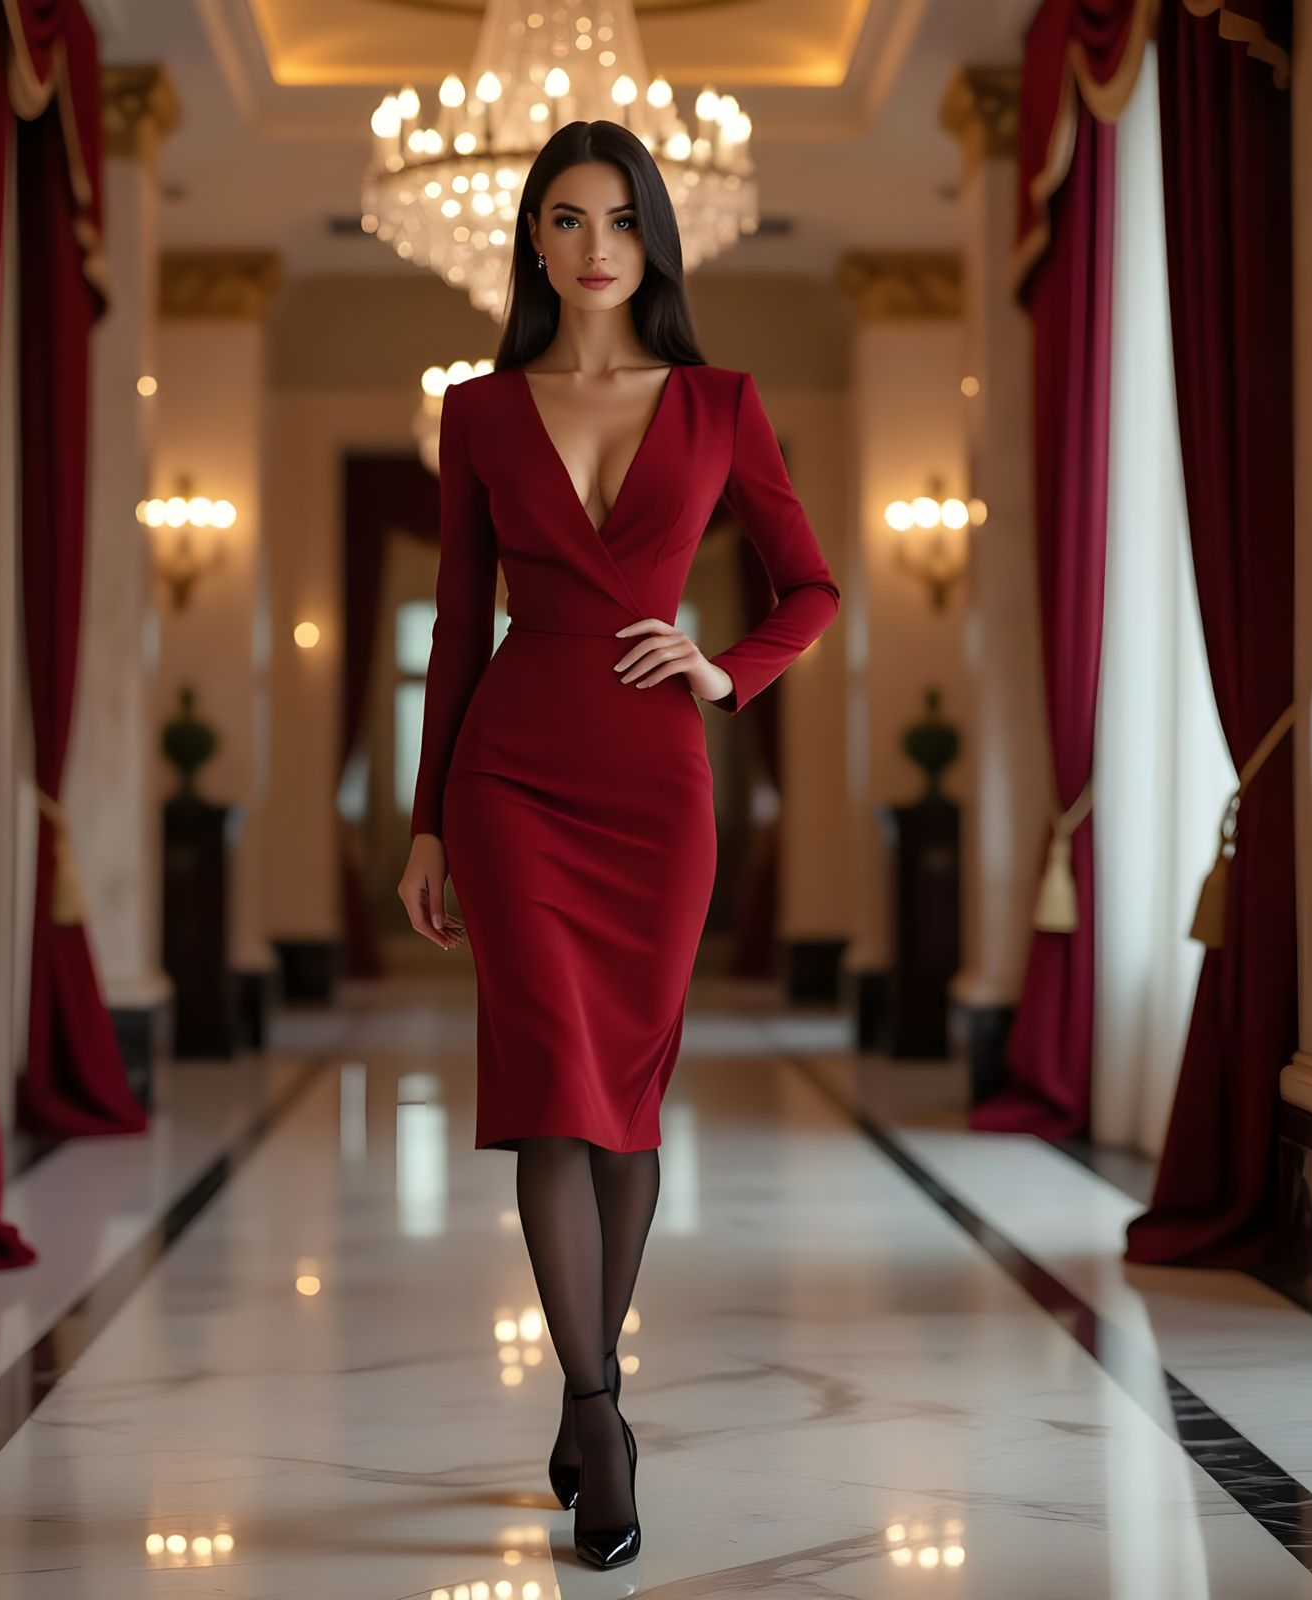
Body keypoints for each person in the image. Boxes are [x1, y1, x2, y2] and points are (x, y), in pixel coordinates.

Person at [397, 118, 840, 1569]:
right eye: (570, 220)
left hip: (659, 792)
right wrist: (423, 825)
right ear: (532, 237)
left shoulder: (720, 401)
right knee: (548, 1094)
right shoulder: (476, 410)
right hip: (510, 776)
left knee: (626, 1108)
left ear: (658, 237)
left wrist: (728, 671)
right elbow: (460, 628)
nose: (598, 249)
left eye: (623, 221)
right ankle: (596, 1413)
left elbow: (813, 585)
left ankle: (595, 1392)